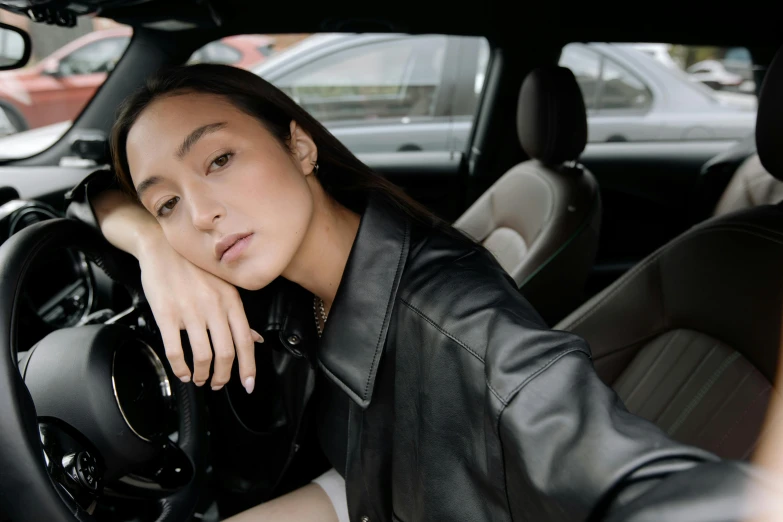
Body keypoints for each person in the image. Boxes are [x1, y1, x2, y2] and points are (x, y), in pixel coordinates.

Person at [71, 63, 776, 522]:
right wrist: (154, 251)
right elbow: (88, 192)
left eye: (219, 159)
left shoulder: (464, 332)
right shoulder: (308, 282)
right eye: (166, 203)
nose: (198, 216)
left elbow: (635, 486)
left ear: (300, 147)